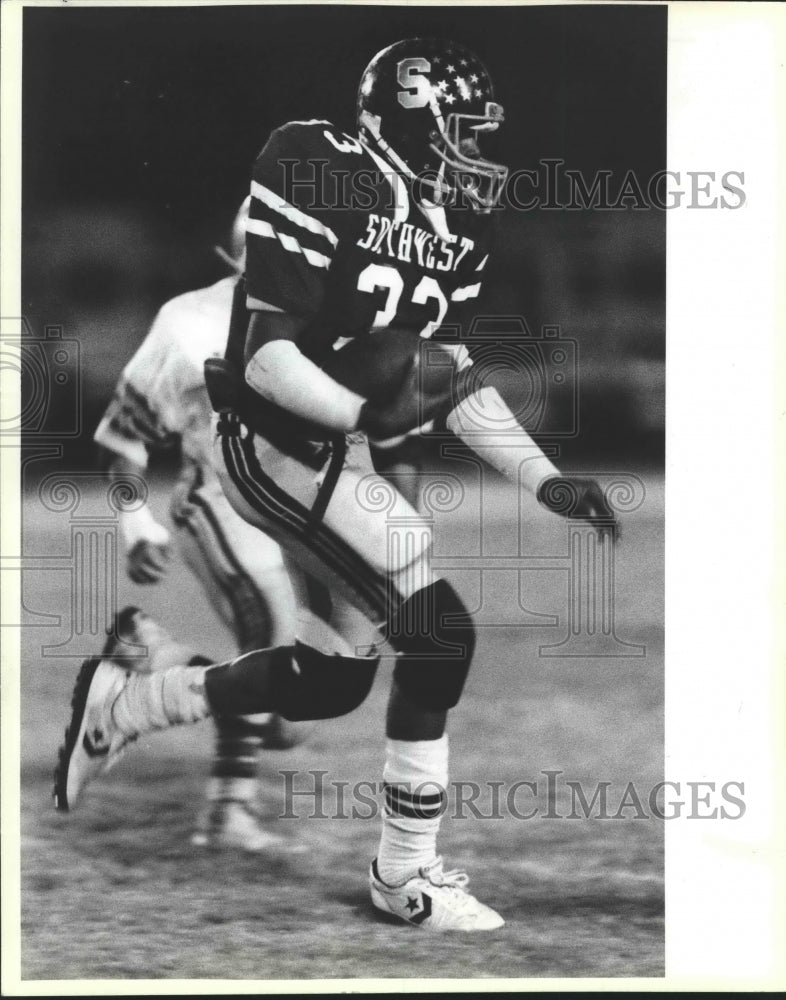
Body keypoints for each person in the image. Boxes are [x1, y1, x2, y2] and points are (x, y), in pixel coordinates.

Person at [55, 38, 617, 931]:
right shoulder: (317, 163)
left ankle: (133, 703)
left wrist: (545, 479)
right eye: (464, 128)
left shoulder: (458, 222)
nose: (478, 149)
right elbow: (268, 357)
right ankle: (406, 877)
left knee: (328, 682)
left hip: (338, 447)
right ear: (412, 117)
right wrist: (368, 416)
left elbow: (450, 374)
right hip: (274, 442)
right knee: (442, 635)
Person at [86, 204, 313, 852]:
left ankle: (153, 660)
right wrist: (135, 519)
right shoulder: (191, 322)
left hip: (302, 514)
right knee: (270, 631)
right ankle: (227, 813)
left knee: (291, 717)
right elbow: (124, 436)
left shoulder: (335, 315)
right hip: (219, 499)